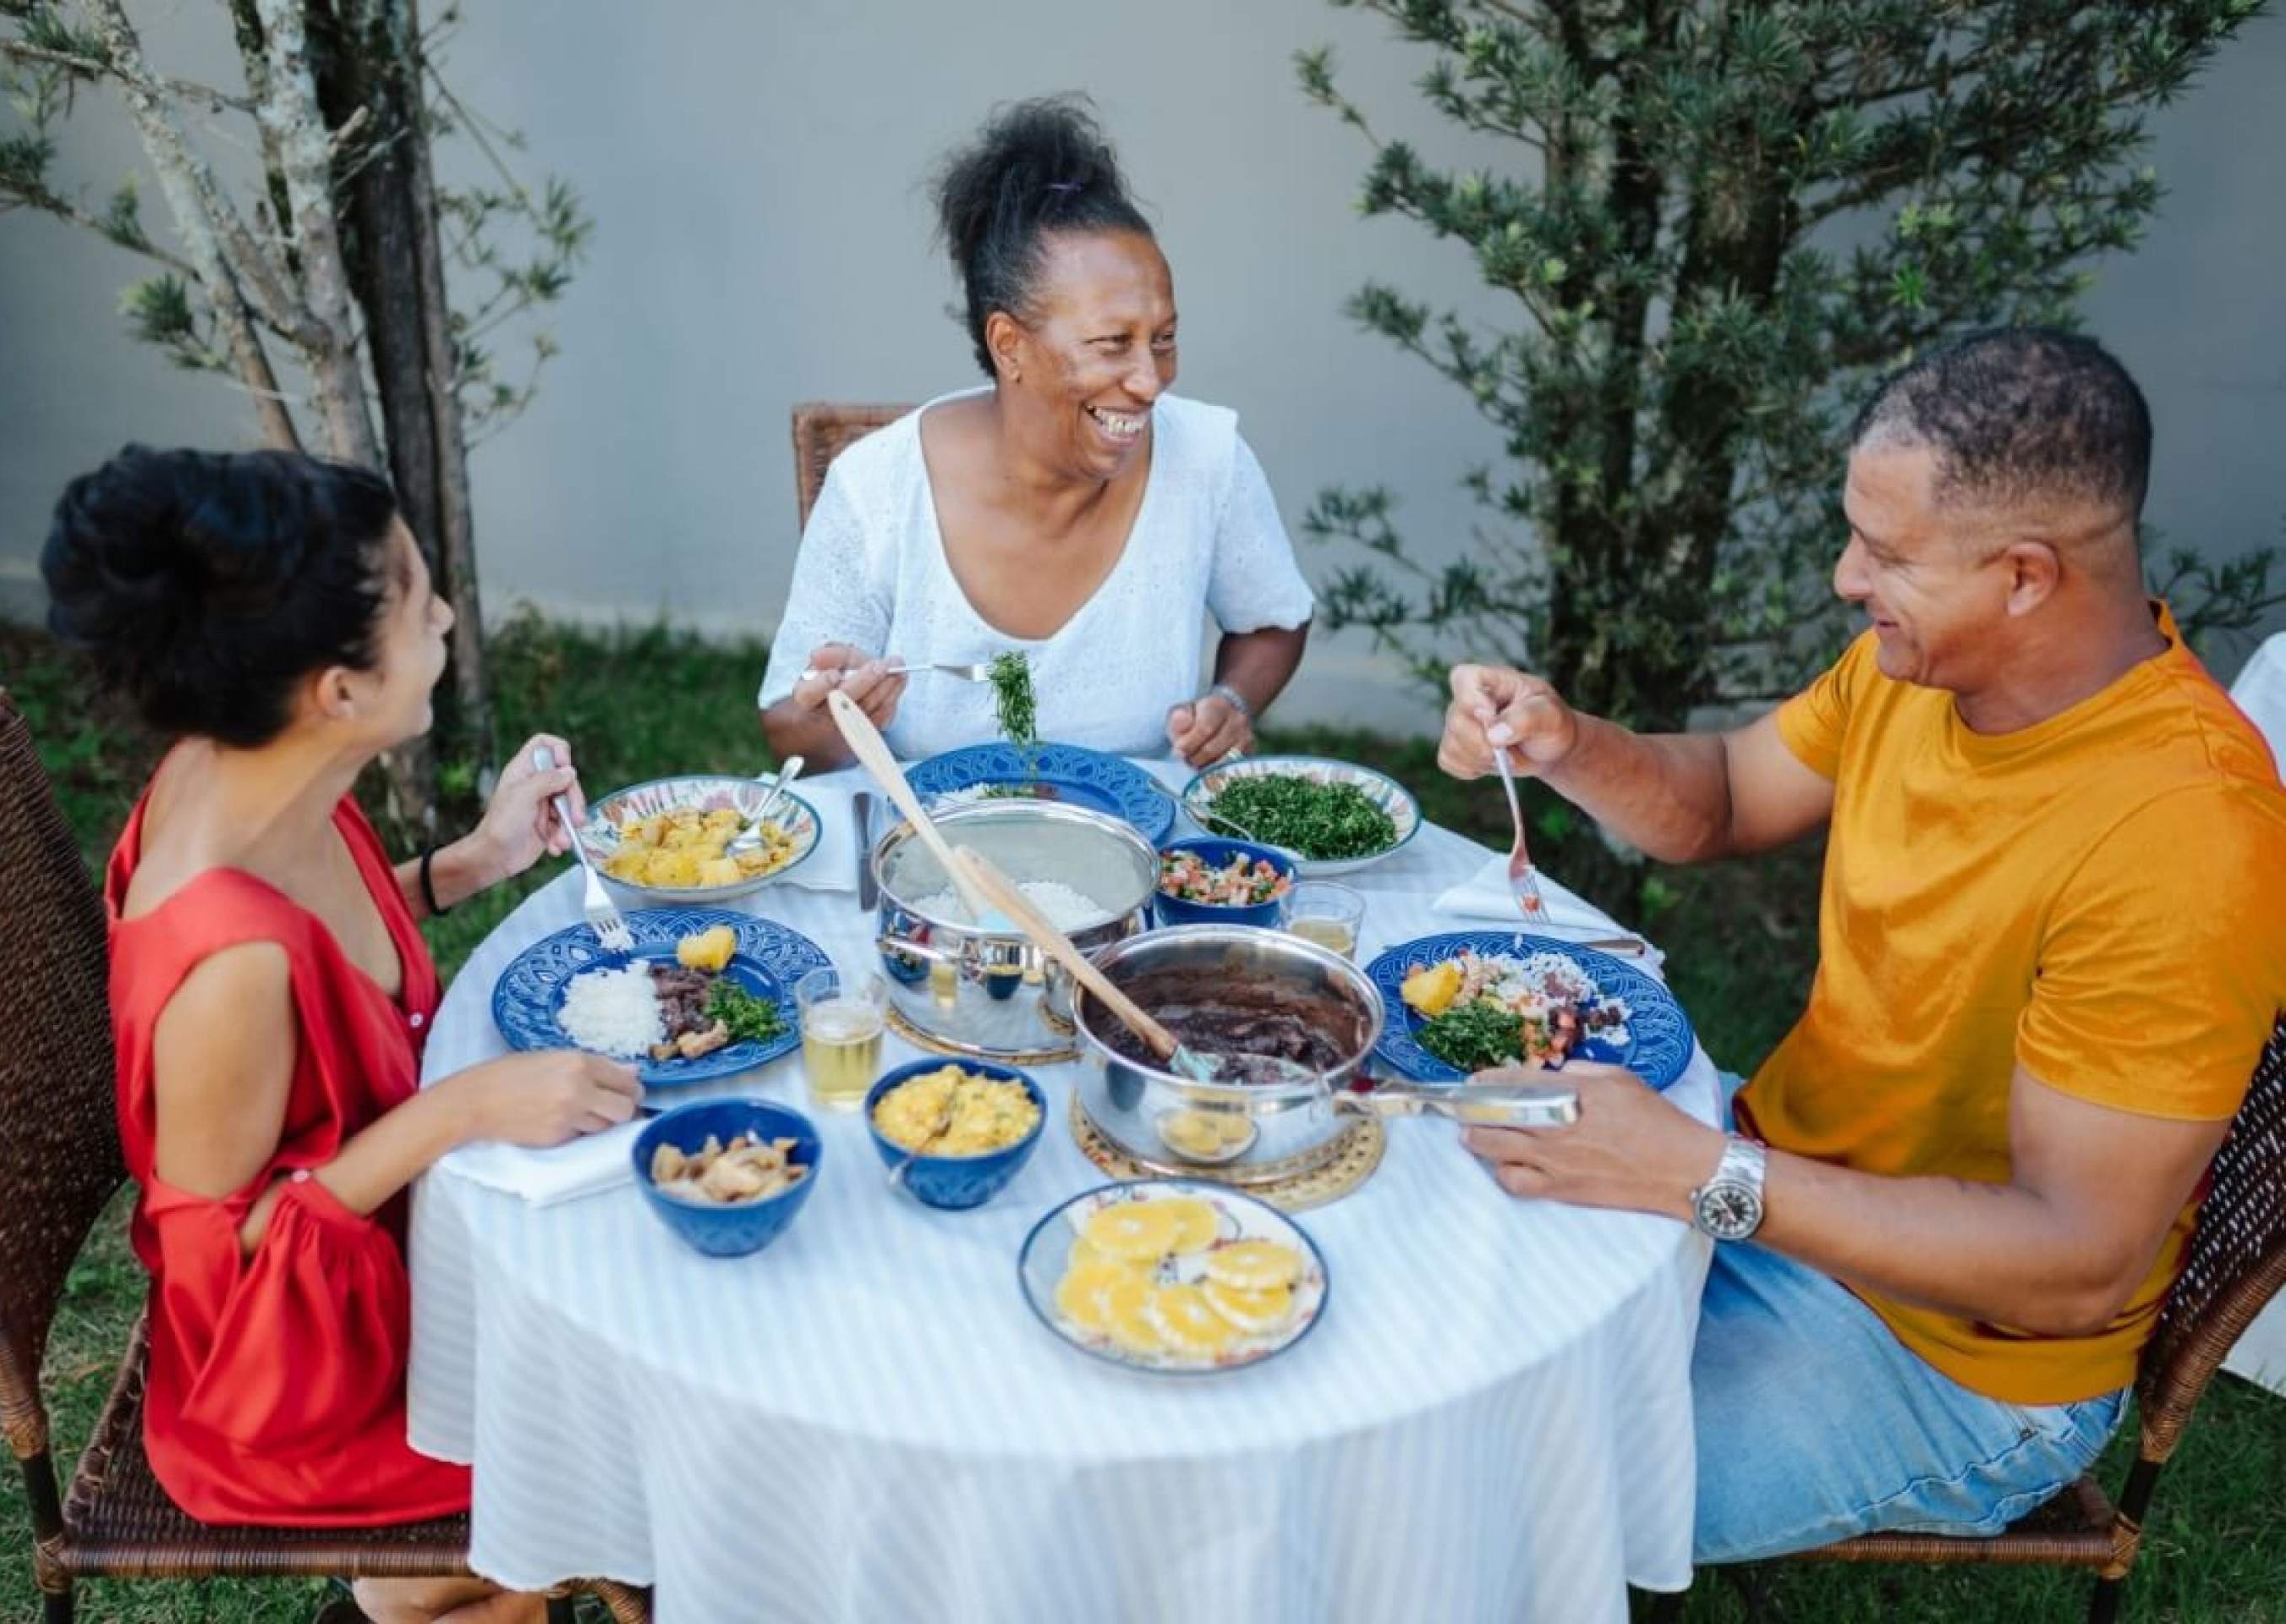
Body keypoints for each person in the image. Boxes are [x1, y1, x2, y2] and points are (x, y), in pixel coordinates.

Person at [1433, 329, 2286, 1562]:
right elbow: (1723, 795)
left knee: (1491, 1504)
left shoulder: (2186, 837)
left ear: (2027, 577)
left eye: (1884, 553)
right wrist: (1570, 743)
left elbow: (2073, 1264)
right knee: (1417, 1250)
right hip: (1767, 1178)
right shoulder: (1923, 666)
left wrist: (1697, 1175)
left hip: (1953, 1362)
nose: (1846, 577)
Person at [42, 447, 642, 1624]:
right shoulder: (228, 963)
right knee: (624, 1466)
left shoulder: (253, 769)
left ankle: (430, 1595)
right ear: (341, 691)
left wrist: (477, 860)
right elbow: (233, 1260)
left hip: (381, 1277)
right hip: (290, 1391)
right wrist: (462, 1110)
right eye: (422, 601)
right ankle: (409, 1590)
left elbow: (335, 956)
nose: (449, 617)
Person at [758, 95, 1315, 770]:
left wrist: (1233, 699)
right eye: (1113, 344)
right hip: (930, 849)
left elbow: (1273, 619)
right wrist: (836, 716)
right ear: (1008, 344)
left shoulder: (1207, 460)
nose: (1149, 380)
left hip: (1140, 849)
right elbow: (791, 729)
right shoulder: (877, 488)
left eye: (1164, 339)